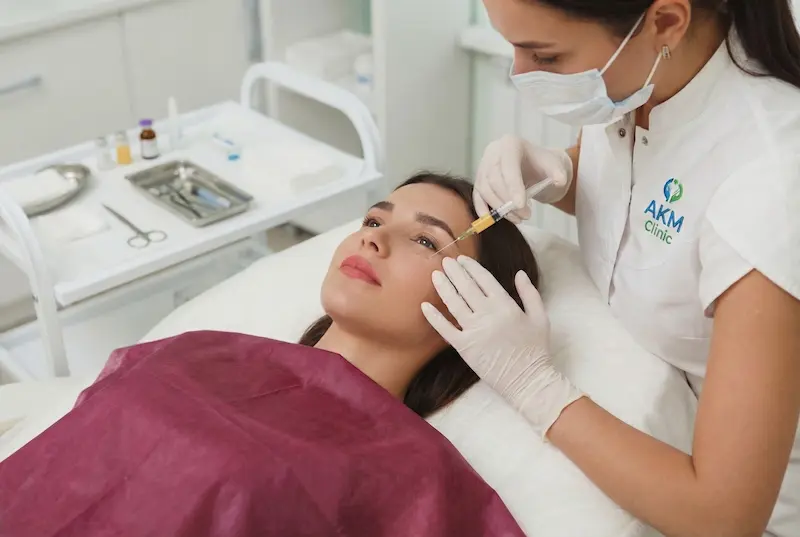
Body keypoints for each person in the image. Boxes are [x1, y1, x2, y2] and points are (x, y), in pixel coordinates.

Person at [422, 1, 800, 536]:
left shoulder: (771, 184)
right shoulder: (645, 79)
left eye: (544, 54)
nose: (520, 74)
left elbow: (725, 517)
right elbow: (645, 204)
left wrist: (535, 388)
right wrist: (561, 175)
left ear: (666, 22)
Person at [0, 174, 538, 537]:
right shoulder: (201, 351)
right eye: (374, 221)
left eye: (426, 242)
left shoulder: (415, 473)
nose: (372, 241)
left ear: (479, 305)